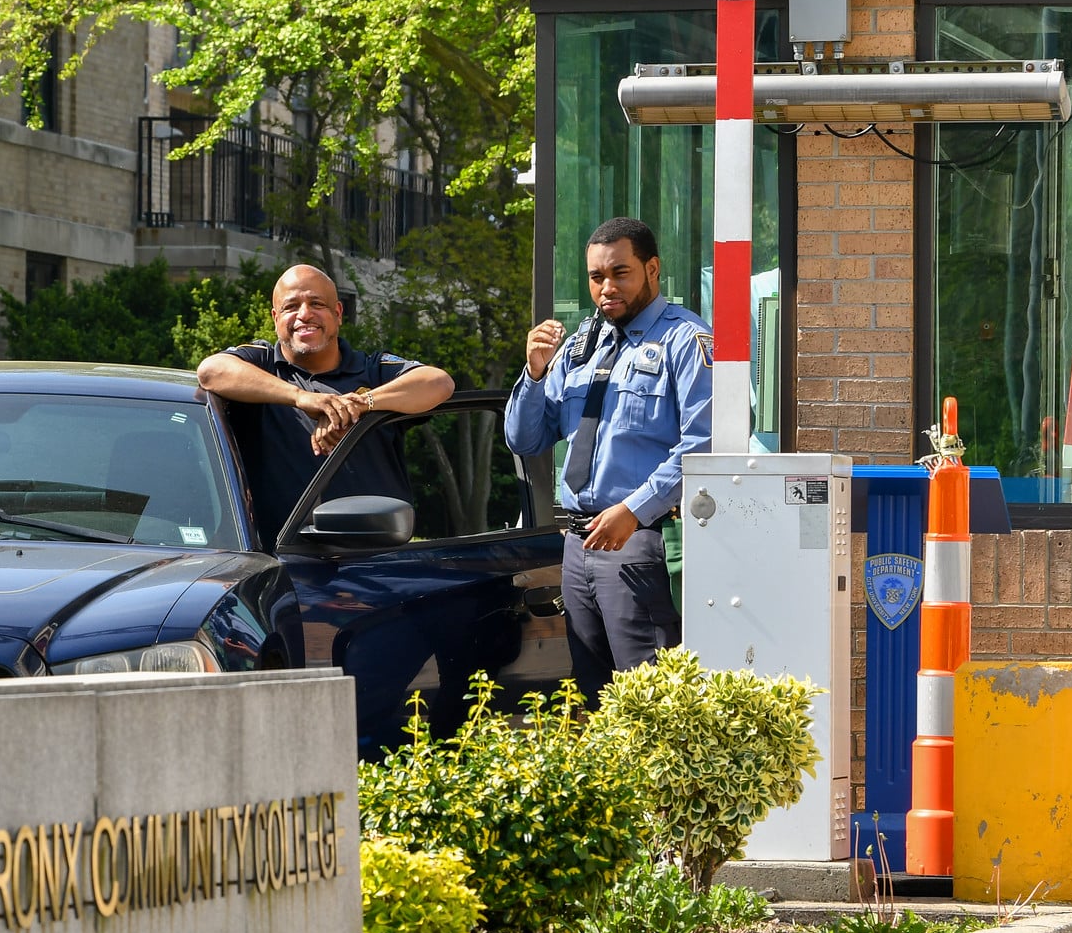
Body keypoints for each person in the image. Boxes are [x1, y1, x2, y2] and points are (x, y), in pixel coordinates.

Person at [504, 216, 712, 707]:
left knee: (649, 696)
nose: (606, 288)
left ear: (652, 269)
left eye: (621, 273)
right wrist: (534, 373)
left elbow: (703, 446)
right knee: (593, 695)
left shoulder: (686, 339)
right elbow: (525, 437)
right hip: (577, 545)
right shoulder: (582, 345)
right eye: (597, 277)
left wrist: (634, 511)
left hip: (640, 540)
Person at [197, 264, 453, 549]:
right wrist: (301, 398)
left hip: (376, 567)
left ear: (338, 314)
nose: (304, 314)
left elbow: (439, 383)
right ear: (275, 317)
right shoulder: (262, 364)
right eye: (291, 306)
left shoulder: (373, 371)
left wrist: (360, 406)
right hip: (277, 569)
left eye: (316, 303)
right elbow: (211, 371)